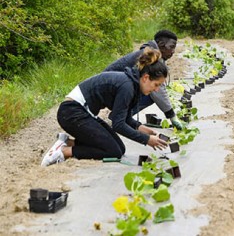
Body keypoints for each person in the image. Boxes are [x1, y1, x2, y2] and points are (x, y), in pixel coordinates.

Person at [41, 47, 169, 166]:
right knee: (113, 151)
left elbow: (124, 118)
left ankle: (67, 141)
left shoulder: (133, 84)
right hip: (72, 113)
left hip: (83, 113)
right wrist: (146, 140)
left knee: (120, 148)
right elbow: (118, 124)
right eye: (156, 84)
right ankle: (63, 151)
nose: (157, 90)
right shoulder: (127, 87)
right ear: (146, 78)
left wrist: (147, 131)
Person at [104, 30, 184, 130]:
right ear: (161, 44)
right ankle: (120, 118)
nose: (173, 52)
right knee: (151, 93)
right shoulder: (150, 57)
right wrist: (171, 115)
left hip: (118, 88)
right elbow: (158, 92)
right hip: (110, 89)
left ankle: (121, 117)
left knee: (151, 90)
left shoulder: (152, 53)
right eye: (171, 47)